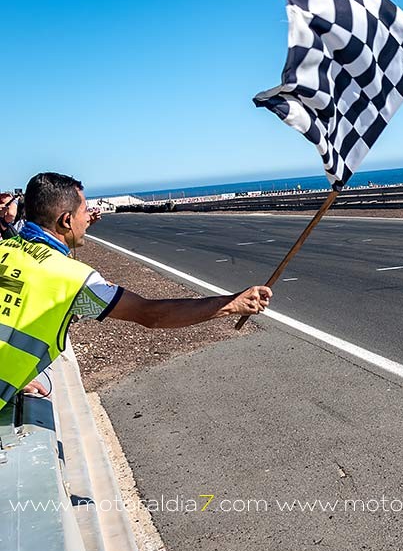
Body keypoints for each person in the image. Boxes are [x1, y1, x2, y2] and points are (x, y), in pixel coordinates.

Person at [0, 172, 272, 409]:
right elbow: (150, 314)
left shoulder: (5, 249)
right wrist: (232, 304)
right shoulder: (74, 279)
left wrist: (17, 377)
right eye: (85, 211)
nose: (88, 218)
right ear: (67, 220)